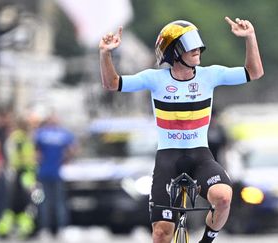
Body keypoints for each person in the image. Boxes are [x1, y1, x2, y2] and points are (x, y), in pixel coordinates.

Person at [99, 17, 264, 243]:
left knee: (223, 197)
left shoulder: (210, 75)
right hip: (168, 158)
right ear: (174, 51)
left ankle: (207, 240)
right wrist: (105, 54)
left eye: (197, 43)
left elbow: (254, 72)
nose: (197, 49)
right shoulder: (155, 79)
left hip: (200, 156)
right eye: (190, 45)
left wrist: (250, 37)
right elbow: (112, 83)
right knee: (161, 234)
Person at [33, 113, 76, 236]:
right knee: (59, 202)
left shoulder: (40, 134)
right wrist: (65, 159)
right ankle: (60, 227)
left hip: (44, 172)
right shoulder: (63, 134)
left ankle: (45, 227)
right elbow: (73, 149)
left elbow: (36, 153)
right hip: (57, 172)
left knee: (44, 201)